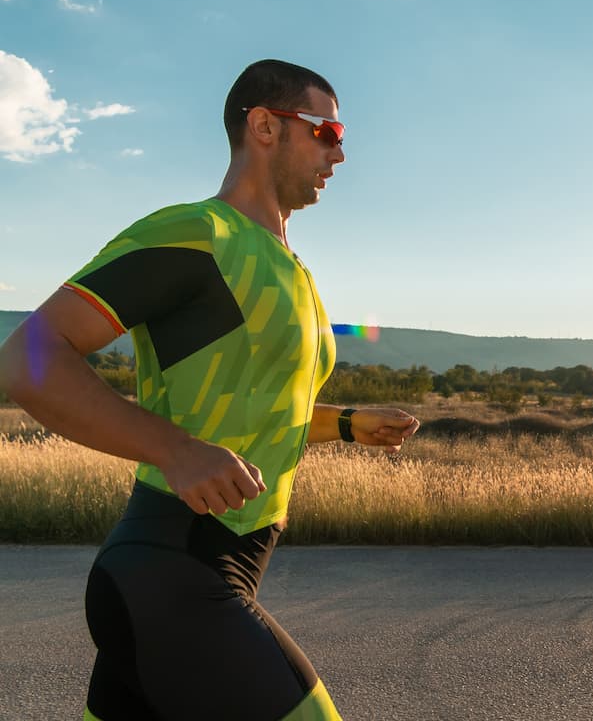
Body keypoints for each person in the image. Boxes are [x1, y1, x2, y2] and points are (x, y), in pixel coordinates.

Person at [0, 59, 419, 720]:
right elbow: (27, 358)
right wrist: (173, 449)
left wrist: (341, 423)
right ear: (263, 125)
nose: (340, 152)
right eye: (327, 130)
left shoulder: (295, 273)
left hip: (191, 578)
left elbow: (254, 405)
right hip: (172, 573)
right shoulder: (197, 235)